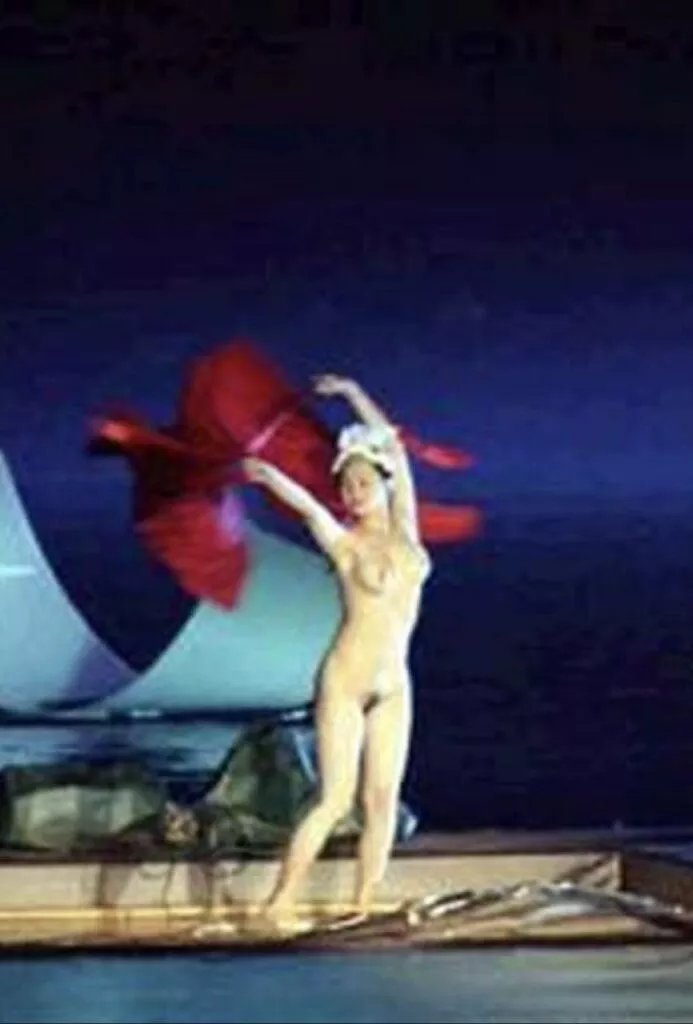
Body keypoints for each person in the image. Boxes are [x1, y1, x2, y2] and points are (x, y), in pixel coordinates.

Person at [242, 373, 432, 925]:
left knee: (382, 801)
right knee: (335, 800)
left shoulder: (408, 531)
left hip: (394, 685)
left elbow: (394, 447)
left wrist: (352, 394)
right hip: (345, 683)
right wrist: (268, 475)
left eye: (363, 482)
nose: (354, 493)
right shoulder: (344, 543)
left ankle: (362, 905)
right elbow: (307, 507)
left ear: (383, 483)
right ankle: (278, 903)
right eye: (346, 486)